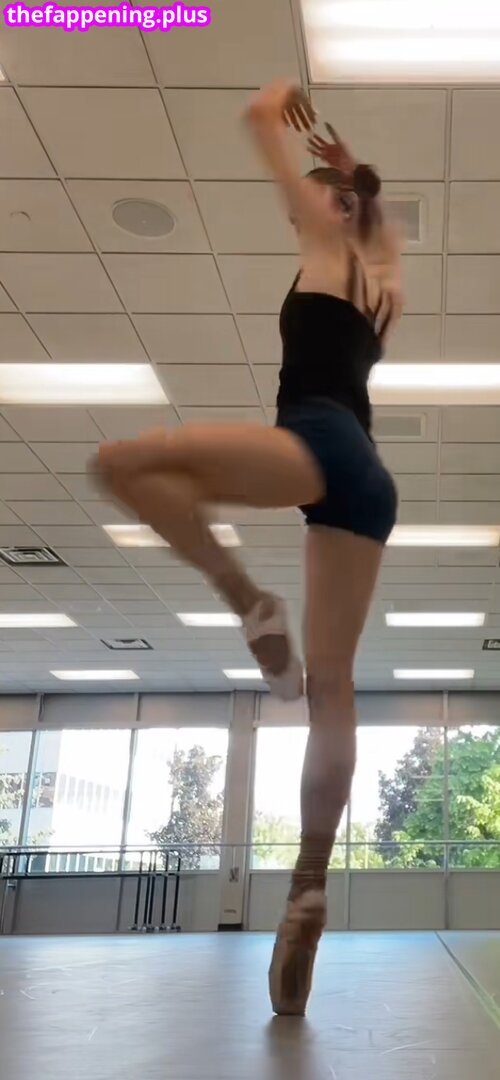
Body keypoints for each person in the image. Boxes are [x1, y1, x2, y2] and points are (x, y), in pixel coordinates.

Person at [95, 80, 403, 1016]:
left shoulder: (326, 242)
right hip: (367, 480)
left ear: (334, 208)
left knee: (125, 464)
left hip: (316, 440)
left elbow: (260, 121)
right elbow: (375, 218)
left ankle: (248, 601)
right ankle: (309, 884)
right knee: (333, 687)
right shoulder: (382, 283)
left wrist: (280, 107)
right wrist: (353, 169)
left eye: (324, 197)